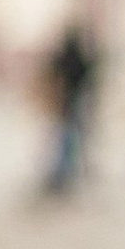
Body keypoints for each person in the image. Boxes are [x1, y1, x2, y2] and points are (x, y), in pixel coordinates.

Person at [41, 21, 97, 196]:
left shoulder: (67, 57)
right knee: (68, 140)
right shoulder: (76, 57)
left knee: (66, 140)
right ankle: (62, 175)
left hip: (69, 104)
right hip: (72, 103)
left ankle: (63, 175)